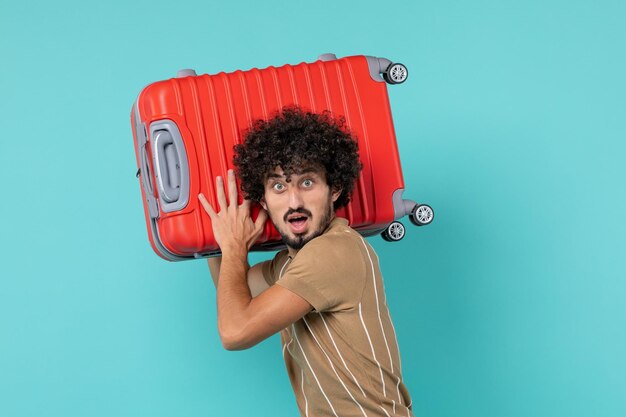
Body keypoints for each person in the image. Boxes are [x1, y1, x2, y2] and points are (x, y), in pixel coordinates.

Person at [198, 107, 414, 417]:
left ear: (334, 189)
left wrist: (233, 247)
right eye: (279, 186)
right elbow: (231, 289)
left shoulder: (335, 252)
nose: (294, 201)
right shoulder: (288, 265)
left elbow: (235, 331)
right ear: (263, 200)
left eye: (308, 183)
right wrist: (214, 233)